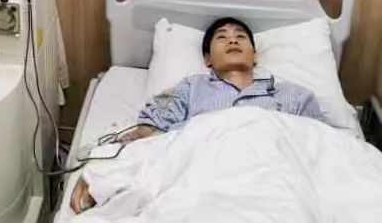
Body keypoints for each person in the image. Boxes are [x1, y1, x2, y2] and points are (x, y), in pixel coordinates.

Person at [70, 17, 325, 214]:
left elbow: (320, 150)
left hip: (270, 179)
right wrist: (113, 173)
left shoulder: (294, 96)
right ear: (208, 59)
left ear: (255, 55)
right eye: (222, 37)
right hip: (199, 174)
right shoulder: (190, 89)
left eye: (240, 37)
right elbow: (152, 137)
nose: (232, 41)